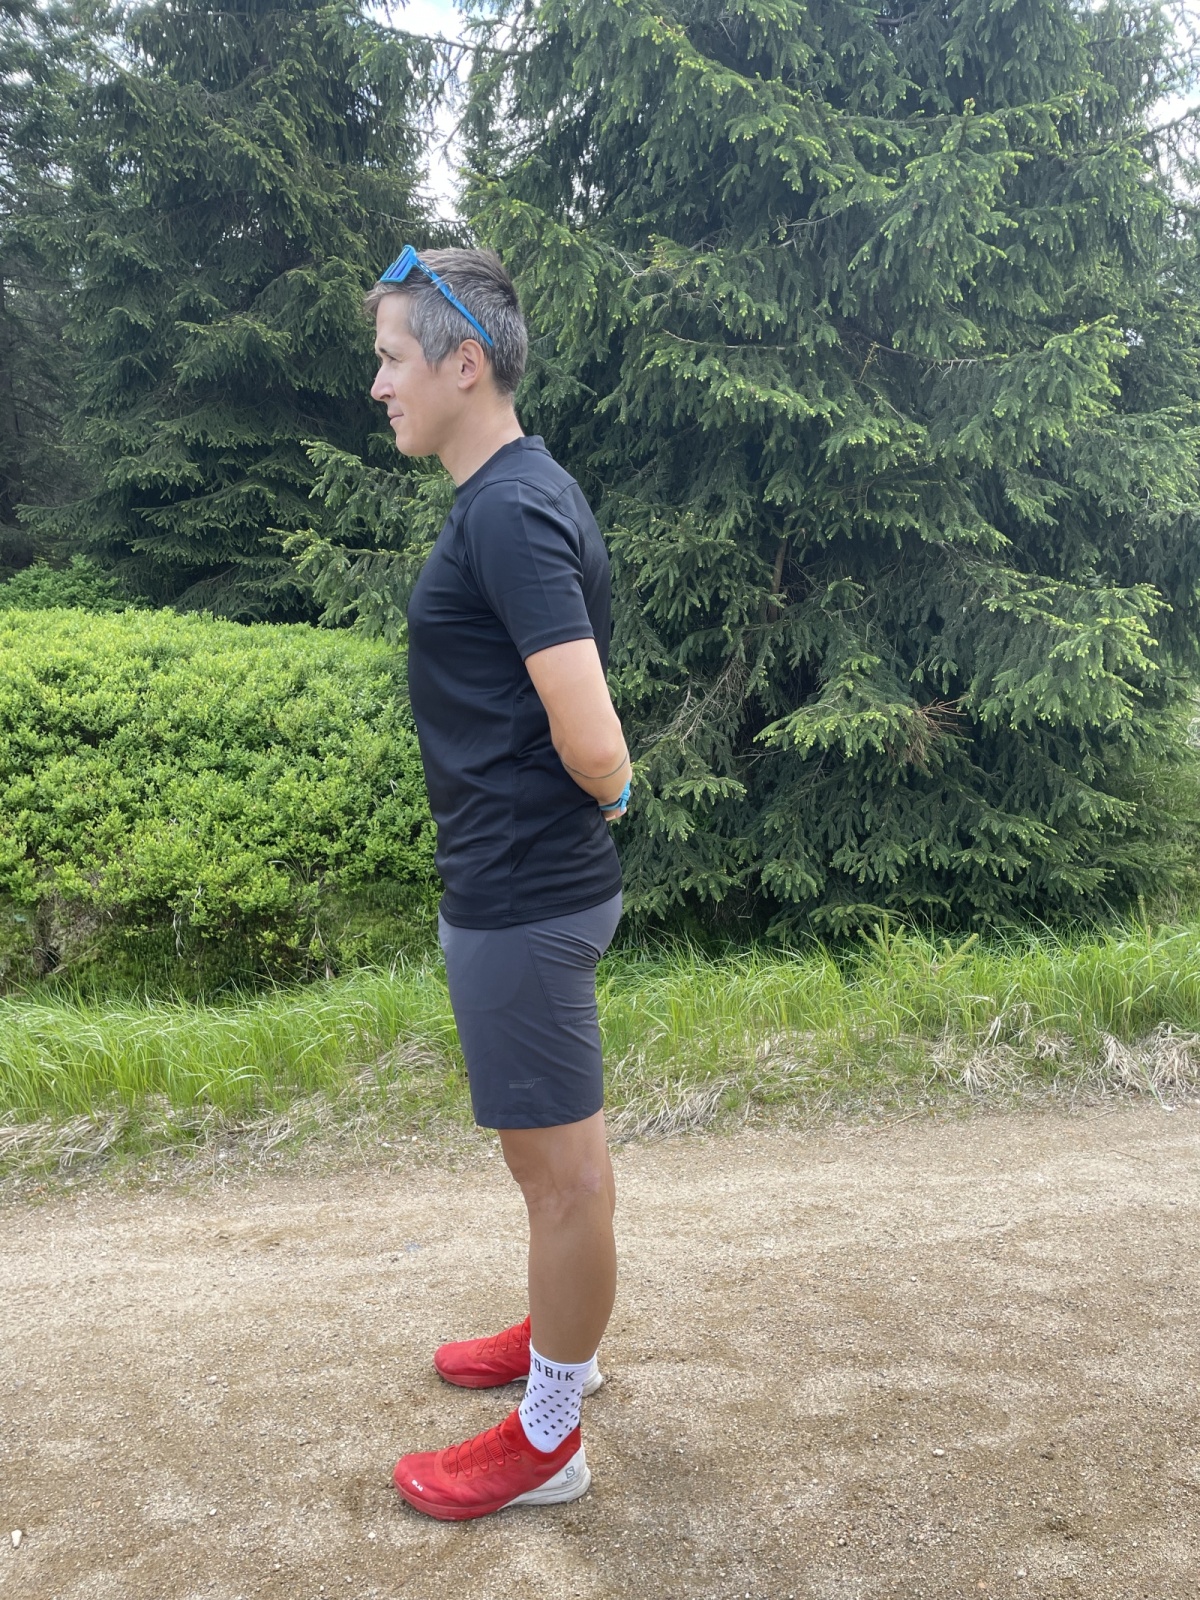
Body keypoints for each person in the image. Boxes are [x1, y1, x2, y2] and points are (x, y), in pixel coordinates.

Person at [365, 247, 632, 1521]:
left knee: (564, 1176)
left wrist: (611, 792)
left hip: (526, 891)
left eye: (393, 359)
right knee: (553, 1169)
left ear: (463, 362)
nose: (380, 385)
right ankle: (557, 1335)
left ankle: (552, 1432)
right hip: (517, 883)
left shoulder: (511, 513)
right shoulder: (515, 492)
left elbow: (593, 739)